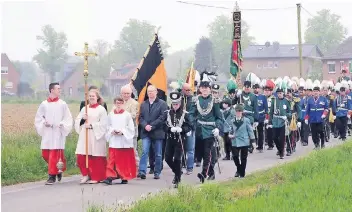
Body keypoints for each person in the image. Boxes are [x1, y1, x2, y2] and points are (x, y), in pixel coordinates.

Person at [34, 82, 73, 185]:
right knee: (45, 154)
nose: (60, 90)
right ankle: (58, 168)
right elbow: (39, 117)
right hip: (47, 133)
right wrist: (43, 123)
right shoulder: (44, 104)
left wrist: (62, 124)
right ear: (52, 90)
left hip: (57, 133)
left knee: (53, 155)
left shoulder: (63, 104)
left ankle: (51, 177)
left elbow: (68, 118)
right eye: (58, 89)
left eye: (60, 89)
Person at [189, 80, 222, 183]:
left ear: (210, 89)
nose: (205, 90)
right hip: (199, 131)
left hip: (210, 131)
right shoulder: (196, 100)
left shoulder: (214, 101)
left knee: (207, 153)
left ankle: (204, 174)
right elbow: (191, 114)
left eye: (206, 88)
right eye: (203, 88)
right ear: (200, 89)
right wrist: (193, 123)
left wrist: (217, 128)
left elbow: (219, 117)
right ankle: (211, 173)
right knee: (202, 153)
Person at [75, 90, 108, 184]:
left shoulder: (101, 109)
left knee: (95, 156)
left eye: (93, 96)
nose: (91, 98)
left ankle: (97, 176)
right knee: (81, 155)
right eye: (89, 96)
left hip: (96, 135)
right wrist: (82, 119)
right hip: (85, 134)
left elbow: (104, 124)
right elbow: (78, 121)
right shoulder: (84, 109)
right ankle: (86, 175)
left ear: (97, 97)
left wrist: (92, 125)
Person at [103, 97, 136, 185]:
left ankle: (124, 177)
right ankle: (109, 177)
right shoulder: (110, 114)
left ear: (123, 104)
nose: (118, 104)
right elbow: (107, 126)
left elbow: (131, 128)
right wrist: (111, 131)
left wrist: (122, 132)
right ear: (114, 103)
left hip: (123, 142)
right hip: (114, 141)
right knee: (111, 160)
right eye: (117, 103)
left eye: (120, 103)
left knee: (123, 161)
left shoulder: (127, 115)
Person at [138, 85, 168, 180]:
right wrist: (145, 125)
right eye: (148, 91)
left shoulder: (162, 104)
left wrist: (152, 126)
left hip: (157, 132)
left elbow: (163, 117)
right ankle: (142, 171)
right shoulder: (143, 104)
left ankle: (157, 172)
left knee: (158, 153)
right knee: (145, 151)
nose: (150, 93)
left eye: (152, 91)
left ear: (156, 92)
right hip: (146, 132)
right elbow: (141, 117)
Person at [165, 92, 192, 188]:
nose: (175, 106)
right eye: (173, 104)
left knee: (177, 159)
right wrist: (169, 129)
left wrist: (182, 129)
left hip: (180, 139)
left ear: (180, 104)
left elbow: (189, 126)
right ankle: (178, 171)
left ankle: (177, 178)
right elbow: (163, 126)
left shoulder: (184, 114)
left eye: (176, 104)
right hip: (170, 138)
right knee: (167, 158)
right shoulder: (168, 113)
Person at [229, 104, 255, 178]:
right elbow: (230, 131)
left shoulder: (246, 120)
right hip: (235, 141)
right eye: (237, 111)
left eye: (240, 111)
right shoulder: (232, 121)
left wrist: (253, 141)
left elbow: (250, 131)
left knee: (243, 158)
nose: (238, 113)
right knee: (235, 157)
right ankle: (239, 169)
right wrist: (230, 135)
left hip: (244, 141)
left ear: (242, 112)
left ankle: (242, 173)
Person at [120, 85, 140, 169]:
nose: (126, 95)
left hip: (131, 130)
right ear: (121, 93)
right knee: (122, 150)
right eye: (124, 93)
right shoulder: (118, 102)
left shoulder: (135, 103)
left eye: (128, 93)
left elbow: (133, 115)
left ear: (131, 93)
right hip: (120, 131)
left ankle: (137, 167)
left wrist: (121, 115)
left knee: (133, 150)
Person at [268, 86, 291, 159]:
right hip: (275, 122)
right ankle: (279, 149)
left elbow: (289, 112)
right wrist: (270, 122)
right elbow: (271, 112)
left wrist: (286, 116)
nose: (279, 95)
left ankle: (282, 153)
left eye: (280, 93)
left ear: (283, 93)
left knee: (282, 139)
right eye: (278, 93)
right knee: (274, 137)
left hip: (282, 122)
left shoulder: (286, 101)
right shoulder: (274, 101)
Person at [181, 83, 195, 175]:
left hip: (190, 126)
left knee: (190, 148)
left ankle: (190, 167)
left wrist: (189, 119)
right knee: (181, 148)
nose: (188, 92)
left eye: (189, 90)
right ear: (182, 90)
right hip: (180, 126)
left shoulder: (194, 100)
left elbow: (195, 114)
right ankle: (181, 165)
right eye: (186, 90)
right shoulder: (179, 98)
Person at [253, 83, 268, 152]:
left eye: (257, 88)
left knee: (260, 132)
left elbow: (266, 107)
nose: (256, 89)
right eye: (255, 88)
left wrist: (266, 117)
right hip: (253, 116)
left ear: (259, 89)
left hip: (261, 116)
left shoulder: (263, 97)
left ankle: (260, 146)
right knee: (252, 131)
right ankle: (252, 145)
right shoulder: (251, 96)